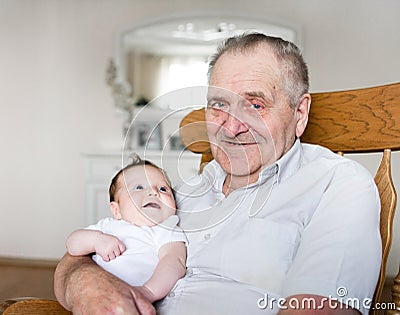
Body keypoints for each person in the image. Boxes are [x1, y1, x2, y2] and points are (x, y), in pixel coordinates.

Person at [54, 33, 381, 315]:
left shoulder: (337, 185)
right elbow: (80, 254)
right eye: (220, 105)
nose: (231, 127)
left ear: (299, 113)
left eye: (255, 105)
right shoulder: (179, 194)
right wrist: (85, 281)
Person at [65, 154, 187, 303]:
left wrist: (149, 291)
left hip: (137, 300)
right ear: (117, 210)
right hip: (97, 297)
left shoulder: (166, 229)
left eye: (163, 188)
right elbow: (72, 244)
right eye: (139, 187)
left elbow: (174, 262)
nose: (154, 192)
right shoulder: (107, 226)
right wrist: (96, 240)